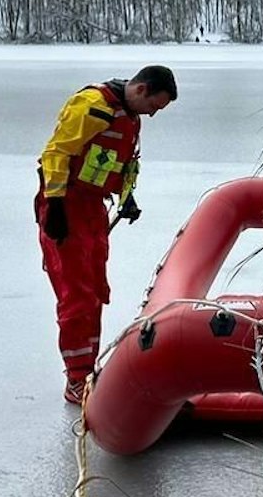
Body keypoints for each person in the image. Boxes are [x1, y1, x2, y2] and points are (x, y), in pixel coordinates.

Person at [36, 64, 178, 405]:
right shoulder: (91, 105)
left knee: (96, 291)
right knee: (77, 296)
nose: (154, 115)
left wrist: (127, 196)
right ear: (141, 89)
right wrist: (54, 204)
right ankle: (76, 379)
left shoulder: (131, 119)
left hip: (93, 209)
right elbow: (57, 153)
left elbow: (127, 164)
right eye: (155, 106)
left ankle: (87, 371)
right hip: (66, 205)